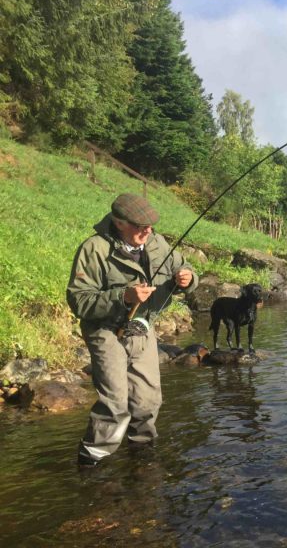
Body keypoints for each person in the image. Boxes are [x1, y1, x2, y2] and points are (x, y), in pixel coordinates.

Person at [67, 193, 198, 467]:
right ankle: (92, 462)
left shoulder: (157, 242)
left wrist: (188, 278)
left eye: (150, 225)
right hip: (106, 330)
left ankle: (142, 455)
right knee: (115, 404)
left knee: (148, 400)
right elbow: (79, 300)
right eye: (140, 226)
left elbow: (183, 266)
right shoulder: (94, 250)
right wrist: (124, 297)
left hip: (142, 328)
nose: (147, 230)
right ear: (119, 223)